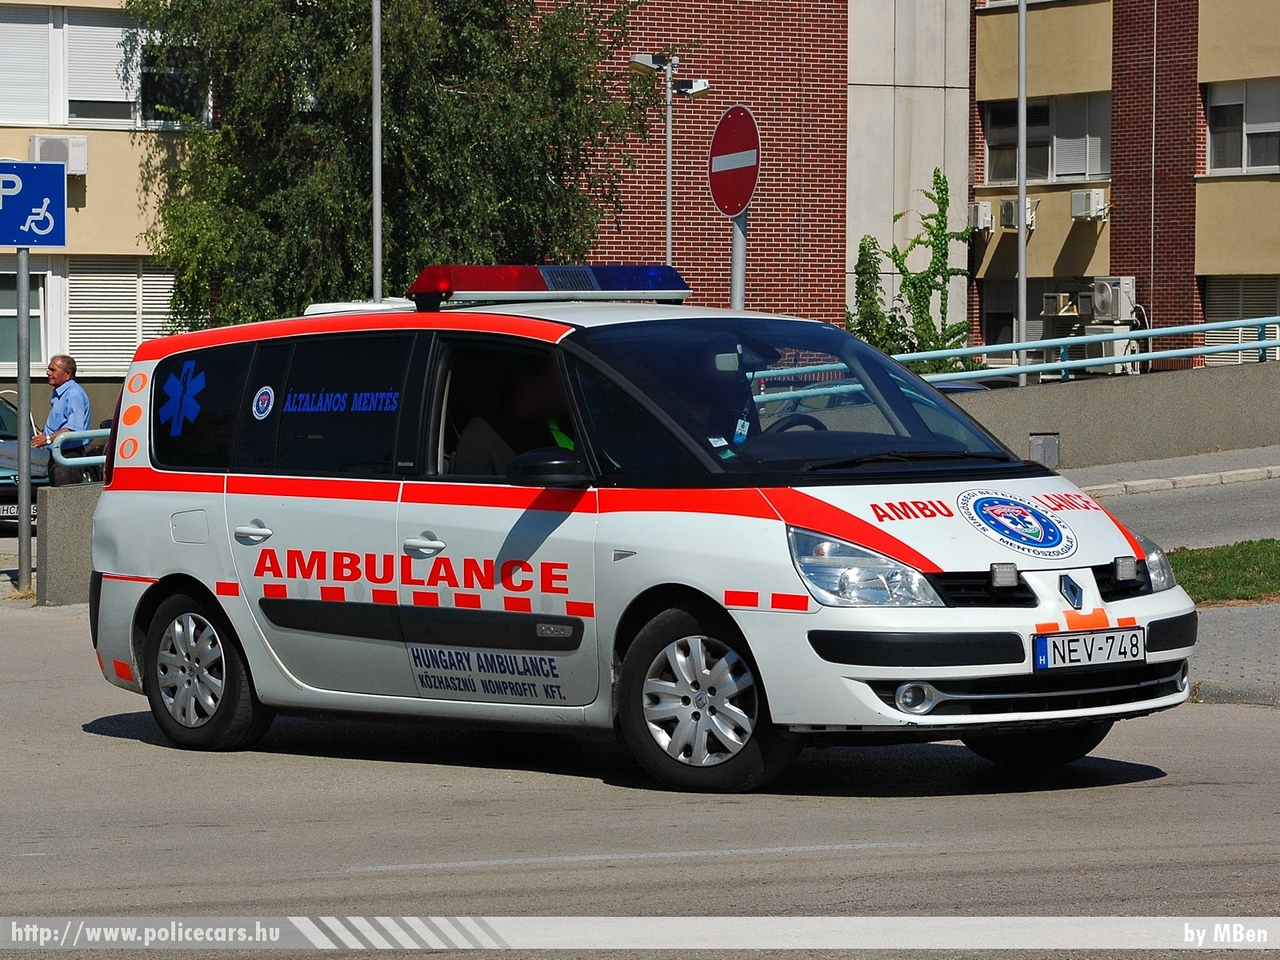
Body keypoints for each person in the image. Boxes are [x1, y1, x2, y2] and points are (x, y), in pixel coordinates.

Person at [453, 358, 575, 476]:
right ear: (526, 383)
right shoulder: (480, 434)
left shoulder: (561, 425)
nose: (556, 394)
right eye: (552, 384)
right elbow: (472, 492)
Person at [30, 354, 91, 486]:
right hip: (57, 454)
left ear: (67, 374)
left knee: (64, 500)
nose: (48, 373)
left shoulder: (74, 394)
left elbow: (73, 428)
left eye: (53, 370)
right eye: (48, 369)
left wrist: (47, 439)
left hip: (68, 456)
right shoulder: (60, 393)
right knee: (55, 499)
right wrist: (44, 435)